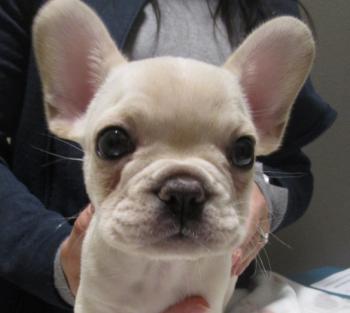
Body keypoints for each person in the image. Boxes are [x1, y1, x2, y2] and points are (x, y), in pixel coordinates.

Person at [0, 0, 336, 312]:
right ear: (76, 101)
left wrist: (263, 197)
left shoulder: (267, 5)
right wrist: (51, 254)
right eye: (116, 144)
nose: (183, 194)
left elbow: (289, 168)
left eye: (239, 152)